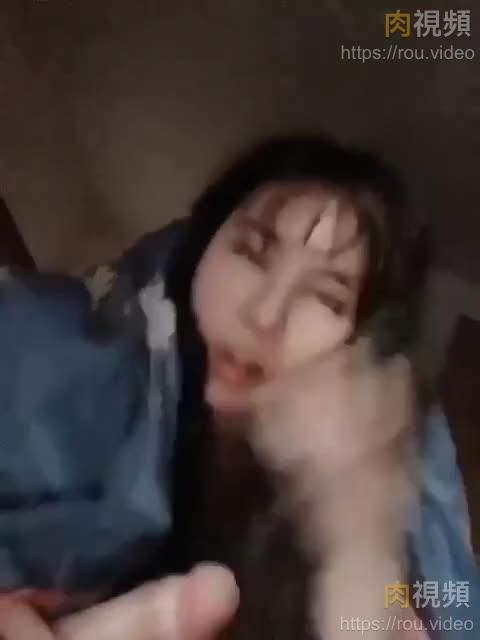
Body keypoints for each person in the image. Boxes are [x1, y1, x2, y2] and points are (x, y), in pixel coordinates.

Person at [0, 134, 477, 639]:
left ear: (361, 345)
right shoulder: (86, 358)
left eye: (326, 296)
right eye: (251, 251)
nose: (265, 314)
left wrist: (358, 542)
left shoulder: (385, 468)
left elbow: (446, 609)